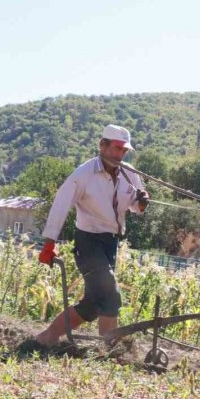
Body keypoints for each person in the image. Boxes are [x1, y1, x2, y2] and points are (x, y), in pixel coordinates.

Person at [31, 125, 149, 348]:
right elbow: (60, 205)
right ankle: (108, 350)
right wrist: (49, 243)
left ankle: (47, 337)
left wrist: (142, 202)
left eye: (124, 151)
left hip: (110, 243)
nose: (120, 155)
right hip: (88, 242)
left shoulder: (130, 173)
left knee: (93, 305)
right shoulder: (83, 175)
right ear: (102, 145)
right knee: (111, 295)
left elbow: (135, 206)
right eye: (116, 149)